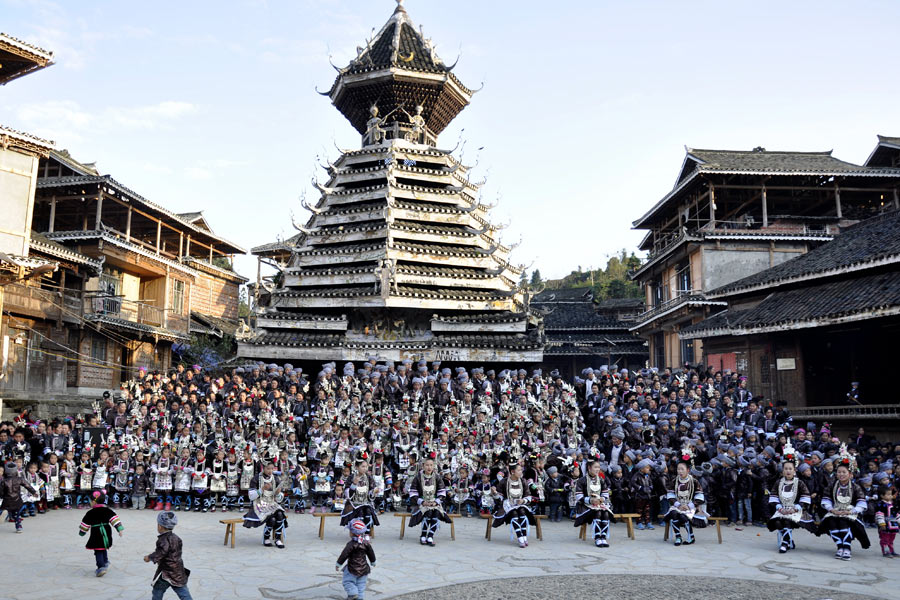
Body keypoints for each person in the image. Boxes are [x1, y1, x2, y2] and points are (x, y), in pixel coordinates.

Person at [817, 444, 870, 560]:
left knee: (843, 523)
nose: (841, 474)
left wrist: (852, 511)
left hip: (850, 512)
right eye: (839, 472)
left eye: (844, 472)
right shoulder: (832, 485)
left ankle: (847, 547)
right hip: (835, 510)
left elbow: (861, 502)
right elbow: (826, 499)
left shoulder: (855, 487)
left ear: (850, 474)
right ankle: (840, 546)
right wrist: (831, 509)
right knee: (831, 523)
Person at [766, 441, 814, 553]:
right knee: (778, 522)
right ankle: (788, 541)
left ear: (795, 470)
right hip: (782, 509)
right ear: (782, 470)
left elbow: (806, 496)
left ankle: (785, 543)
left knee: (787, 520)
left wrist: (796, 507)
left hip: (796, 510)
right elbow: (773, 495)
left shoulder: (800, 483)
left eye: (790, 469)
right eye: (786, 469)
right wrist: (779, 507)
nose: (788, 471)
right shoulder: (778, 482)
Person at [144, 511, 193, 600]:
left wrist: (149, 557)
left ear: (160, 526)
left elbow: (162, 552)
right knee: (182, 590)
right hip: (178, 571)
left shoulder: (163, 540)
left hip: (166, 573)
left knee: (157, 591)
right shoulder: (177, 538)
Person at [663, 449, 708, 546]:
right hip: (677, 505)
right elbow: (670, 494)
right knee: (674, 514)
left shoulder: (694, 481)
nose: (680, 471)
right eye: (678, 469)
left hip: (690, 506)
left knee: (683, 517)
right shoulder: (674, 480)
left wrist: (690, 505)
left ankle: (691, 536)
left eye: (682, 469)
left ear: (688, 470)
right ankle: (678, 537)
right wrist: (678, 504)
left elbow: (700, 495)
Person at [243, 461, 288, 548]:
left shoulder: (275, 478)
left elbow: (279, 499)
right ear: (263, 468)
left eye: (272, 468)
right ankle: (266, 537)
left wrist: (278, 493)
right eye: (268, 468)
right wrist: (262, 489)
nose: (270, 471)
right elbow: (251, 497)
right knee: (272, 518)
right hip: (259, 504)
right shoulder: (256, 479)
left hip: (271, 503)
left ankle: (278, 539)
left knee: (279, 514)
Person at [78, 491, 124, 577]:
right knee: (103, 547)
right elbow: (115, 519)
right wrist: (119, 529)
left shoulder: (90, 513)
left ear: (94, 502)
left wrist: (82, 532)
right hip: (106, 532)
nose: (90, 503)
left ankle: (101, 567)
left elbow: (85, 523)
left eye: (90, 501)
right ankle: (105, 562)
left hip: (96, 533)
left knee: (98, 550)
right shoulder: (107, 510)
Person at [407, 457, 451, 546]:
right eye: (427, 465)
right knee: (428, 513)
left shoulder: (437, 477)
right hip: (422, 503)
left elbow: (442, 491)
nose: (429, 467)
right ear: (423, 466)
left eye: (431, 465)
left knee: (436, 513)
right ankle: (423, 535)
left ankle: (430, 536)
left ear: (434, 466)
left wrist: (436, 501)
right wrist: (422, 502)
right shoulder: (418, 477)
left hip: (434, 502)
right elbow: (413, 492)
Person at [491, 463, 536, 548]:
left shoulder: (523, 481)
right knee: (514, 513)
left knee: (522, 511)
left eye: (521, 470)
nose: (521, 472)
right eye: (518, 470)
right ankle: (520, 538)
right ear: (512, 471)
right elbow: (499, 497)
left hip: (520, 504)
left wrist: (523, 500)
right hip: (507, 505)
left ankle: (524, 536)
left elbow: (528, 495)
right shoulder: (504, 482)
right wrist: (494, 493)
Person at [573, 460, 613, 547]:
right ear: (589, 468)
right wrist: (591, 500)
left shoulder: (601, 480)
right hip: (584, 506)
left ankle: (603, 537)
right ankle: (597, 538)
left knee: (605, 513)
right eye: (595, 467)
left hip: (598, 504)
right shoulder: (582, 480)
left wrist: (602, 498)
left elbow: (605, 493)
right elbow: (579, 496)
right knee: (597, 512)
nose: (598, 469)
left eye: (598, 467)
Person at [336, 518, 376, 600]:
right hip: (364, 568)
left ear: (352, 533)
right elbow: (371, 553)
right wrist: (373, 561)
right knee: (361, 585)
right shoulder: (366, 543)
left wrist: (338, 564)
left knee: (348, 582)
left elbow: (344, 554)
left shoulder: (351, 544)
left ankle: (353, 594)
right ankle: (359, 598)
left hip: (352, 568)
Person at [1, 461, 37, 533]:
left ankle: (5, 513)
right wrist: (34, 492)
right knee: (17, 514)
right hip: (17, 500)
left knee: (2, 509)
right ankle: (18, 526)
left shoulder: (3, 481)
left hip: (7, 500)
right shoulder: (20, 479)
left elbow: (1, 491)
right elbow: (27, 486)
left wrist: (2, 496)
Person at [875, 485, 899, 557]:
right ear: (882, 496)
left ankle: (891, 551)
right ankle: (885, 551)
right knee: (885, 539)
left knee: (891, 539)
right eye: (888, 494)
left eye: (891, 494)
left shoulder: (893, 503)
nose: (890, 496)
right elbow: (879, 514)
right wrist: (882, 524)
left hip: (893, 524)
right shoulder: (881, 504)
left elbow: (896, 514)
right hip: (885, 525)